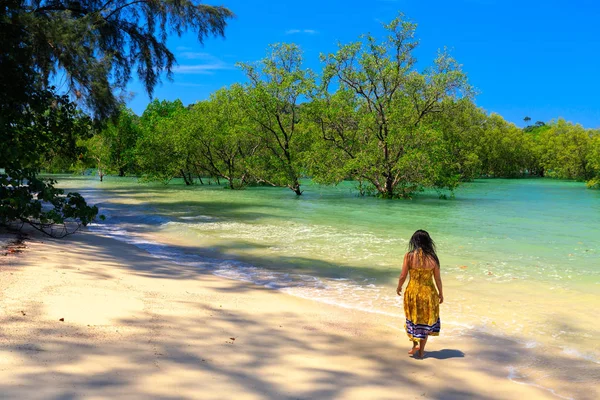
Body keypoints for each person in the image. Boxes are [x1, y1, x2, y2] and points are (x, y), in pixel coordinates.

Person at [396, 230, 444, 358]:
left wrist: (399, 287)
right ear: (428, 242)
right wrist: (441, 293)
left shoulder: (409, 256)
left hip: (413, 293)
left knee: (413, 319)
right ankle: (421, 350)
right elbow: (437, 279)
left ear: (414, 241)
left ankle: (414, 345)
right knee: (425, 322)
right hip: (429, 294)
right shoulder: (433, 258)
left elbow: (403, 275)